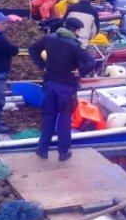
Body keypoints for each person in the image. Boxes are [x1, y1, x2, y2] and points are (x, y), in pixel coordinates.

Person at [29, 17, 97, 161]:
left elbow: (33, 49)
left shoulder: (49, 38)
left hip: (50, 84)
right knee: (65, 119)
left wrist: (43, 66)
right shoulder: (76, 45)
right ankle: (63, 152)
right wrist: (80, 71)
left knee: (48, 116)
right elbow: (91, 63)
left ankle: (42, 149)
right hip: (66, 87)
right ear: (77, 30)